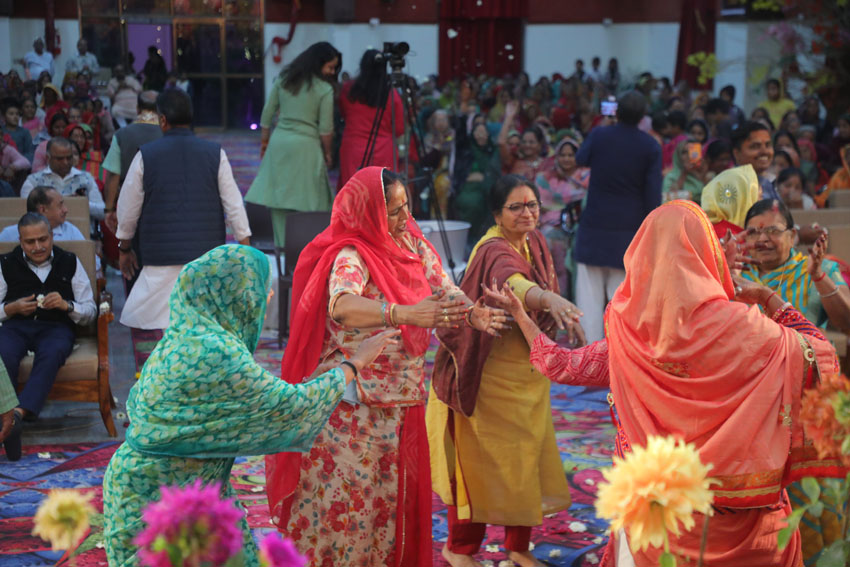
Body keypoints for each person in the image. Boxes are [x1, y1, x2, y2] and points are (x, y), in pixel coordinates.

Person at [486, 199, 842, 566]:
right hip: (747, 522)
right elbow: (819, 354)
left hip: (659, 526)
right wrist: (768, 298)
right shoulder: (747, 330)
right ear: (706, 254)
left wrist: (521, 315)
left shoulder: (631, 337)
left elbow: (561, 365)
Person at [265, 167, 508, 567]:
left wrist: (472, 315)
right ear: (369, 212)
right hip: (352, 406)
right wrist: (403, 313)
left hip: (399, 399)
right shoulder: (352, 253)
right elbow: (342, 306)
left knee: (386, 505)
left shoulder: (412, 244)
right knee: (347, 507)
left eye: (405, 207)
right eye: (393, 211)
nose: (403, 218)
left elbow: (444, 292)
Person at [102, 244, 402, 566]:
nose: (268, 296)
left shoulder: (185, 337)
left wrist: (319, 379)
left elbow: (253, 403)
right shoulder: (216, 352)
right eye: (259, 288)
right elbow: (290, 409)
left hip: (162, 486)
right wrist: (356, 363)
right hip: (162, 498)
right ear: (232, 294)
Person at [428, 174, 583, 567]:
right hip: (486, 377)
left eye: (532, 205)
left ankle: (518, 548)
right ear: (497, 214)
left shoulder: (534, 242)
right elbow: (512, 285)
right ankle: (459, 548)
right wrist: (549, 299)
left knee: (524, 462)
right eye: (515, 207)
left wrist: (559, 311)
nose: (526, 213)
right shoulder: (494, 250)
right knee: (476, 464)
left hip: (525, 375)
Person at [115, 88, 251, 331]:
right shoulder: (215, 154)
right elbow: (234, 206)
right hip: (206, 261)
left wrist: (124, 248)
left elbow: (128, 210)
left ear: (162, 120)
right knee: (202, 327)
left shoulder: (146, 156)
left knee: (167, 328)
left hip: (160, 259)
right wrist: (246, 251)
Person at [0, 213, 96, 457]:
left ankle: (16, 416)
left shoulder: (69, 261)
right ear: (20, 241)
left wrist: (67, 306)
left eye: (43, 239)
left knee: (53, 352)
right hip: (15, 327)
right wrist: (10, 309)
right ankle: (7, 420)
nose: (37, 247)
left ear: (52, 236)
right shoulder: (6, 263)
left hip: (56, 327)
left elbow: (90, 310)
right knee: (3, 353)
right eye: (30, 242)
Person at [573, 90, 662, 343]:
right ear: (642, 117)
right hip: (628, 231)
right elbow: (652, 196)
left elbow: (580, 158)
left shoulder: (600, 135)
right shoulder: (650, 146)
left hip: (594, 225)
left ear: (616, 112)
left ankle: (589, 351)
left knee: (588, 296)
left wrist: (604, 127)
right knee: (621, 297)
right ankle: (620, 351)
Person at [244, 41, 340, 247]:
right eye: (330, 67)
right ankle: (306, 251)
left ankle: (283, 249)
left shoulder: (285, 79)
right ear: (318, 63)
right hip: (307, 148)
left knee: (279, 202)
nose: (332, 72)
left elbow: (267, 115)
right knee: (310, 203)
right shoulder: (324, 89)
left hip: (279, 145)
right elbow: (326, 130)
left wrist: (264, 142)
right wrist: (328, 153)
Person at [742, 199, 850, 331]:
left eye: (773, 231)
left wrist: (818, 276)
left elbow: (847, 323)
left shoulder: (820, 269)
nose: (762, 239)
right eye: (753, 233)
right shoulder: (737, 272)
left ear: (792, 237)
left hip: (805, 344)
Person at [337, 49, 405, 188]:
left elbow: (344, 114)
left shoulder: (348, 89)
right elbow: (399, 128)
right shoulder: (391, 93)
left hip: (354, 148)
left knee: (354, 193)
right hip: (383, 150)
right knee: (382, 194)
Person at [535, 138, 589, 297]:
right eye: (563, 155)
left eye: (571, 155)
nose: (566, 159)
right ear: (556, 157)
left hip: (581, 228)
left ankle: (578, 302)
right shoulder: (545, 179)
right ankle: (559, 301)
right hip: (551, 226)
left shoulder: (587, 178)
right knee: (555, 262)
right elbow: (538, 205)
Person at [21, 137, 105, 221]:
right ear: (48, 158)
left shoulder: (86, 178)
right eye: (60, 159)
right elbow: (25, 213)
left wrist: (81, 203)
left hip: (82, 228)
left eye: (69, 158)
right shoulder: (33, 181)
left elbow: (102, 212)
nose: (65, 162)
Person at [453, 121, 499, 246]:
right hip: (468, 186)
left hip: (489, 185)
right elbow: (459, 172)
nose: (481, 136)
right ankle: (470, 237)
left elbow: (495, 171)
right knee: (472, 203)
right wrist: (468, 177)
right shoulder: (466, 151)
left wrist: (484, 178)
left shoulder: (492, 150)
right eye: (478, 132)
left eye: (483, 132)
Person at [0, 186, 86, 242]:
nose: (66, 210)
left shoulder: (71, 231)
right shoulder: (9, 235)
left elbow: (88, 261)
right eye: (60, 205)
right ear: (43, 209)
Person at [700, 164, 760, 239]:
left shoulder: (706, 230)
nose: (760, 201)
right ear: (742, 200)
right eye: (758, 196)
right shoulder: (735, 239)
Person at [732, 120, 779, 201]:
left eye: (767, 145)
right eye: (755, 146)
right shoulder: (730, 186)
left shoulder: (767, 183)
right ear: (737, 154)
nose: (764, 152)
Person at [498, 101, 547, 179]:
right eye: (524, 142)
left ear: (539, 144)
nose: (527, 145)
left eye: (531, 142)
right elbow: (501, 142)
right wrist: (509, 117)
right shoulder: (513, 161)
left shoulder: (547, 164)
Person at [2, 97, 35, 162]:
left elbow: (30, 153)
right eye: (11, 114)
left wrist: (18, 162)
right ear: (4, 116)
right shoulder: (1, 131)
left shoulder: (25, 132)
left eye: (17, 114)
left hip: (21, 164)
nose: (15, 117)